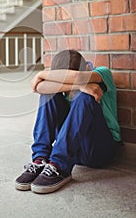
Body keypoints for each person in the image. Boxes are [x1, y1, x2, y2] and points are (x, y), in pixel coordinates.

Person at [15, 49, 122, 194]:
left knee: (85, 97)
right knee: (49, 94)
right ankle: (40, 159)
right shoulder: (64, 83)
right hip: (73, 150)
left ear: (87, 69)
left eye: (68, 77)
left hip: (99, 151)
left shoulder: (102, 73)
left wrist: (41, 74)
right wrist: (77, 85)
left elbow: (79, 78)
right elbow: (39, 87)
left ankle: (60, 166)